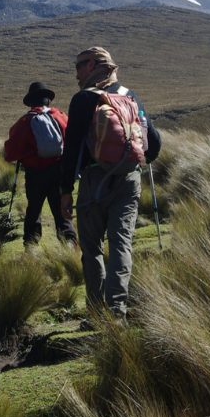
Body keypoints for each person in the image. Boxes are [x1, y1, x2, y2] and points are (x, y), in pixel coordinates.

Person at [59, 47, 161, 322]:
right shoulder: (130, 95)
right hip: (129, 181)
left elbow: (71, 150)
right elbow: (154, 145)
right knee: (121, 245)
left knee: (92, 248)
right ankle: (116, 314)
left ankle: (95, 314)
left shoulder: (83, 99)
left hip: (94, 181)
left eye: (79, 66)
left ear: (91, 65)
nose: (76, 73)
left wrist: (66, 191)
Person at [4, 82, 77, 249]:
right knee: (61, 210)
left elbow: (10, 153)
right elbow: (73, 143)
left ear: (31, 103)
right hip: (59, 172)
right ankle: (69, 244)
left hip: (35, 173)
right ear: (48, 102)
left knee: (34, 210)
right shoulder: (61, 117)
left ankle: (31, 247)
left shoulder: (24, 121)